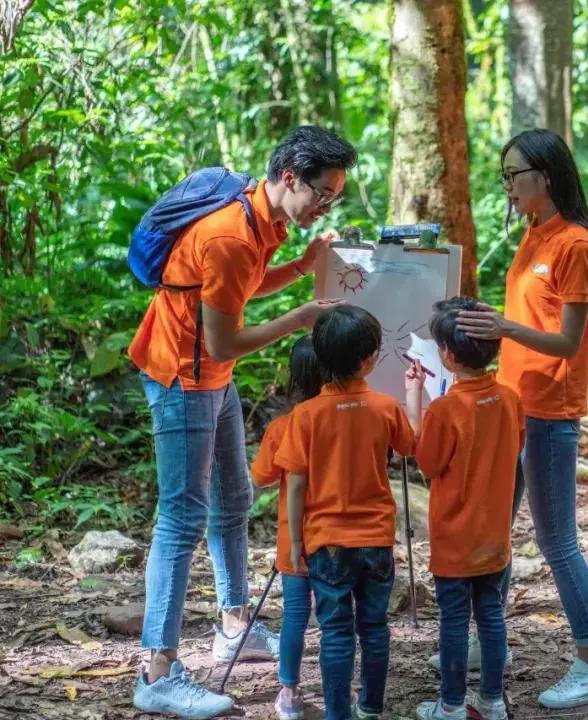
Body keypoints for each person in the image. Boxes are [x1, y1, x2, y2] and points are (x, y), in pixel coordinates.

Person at [130, 126, 355, 719]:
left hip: (213, 376)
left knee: (233, 496)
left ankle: (233, 622)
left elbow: (239, 291)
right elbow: (225, 336)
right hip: (182, 375)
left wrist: (304, 266)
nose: (326, 205)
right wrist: (297, 320)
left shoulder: (265, 221)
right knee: (181, 515)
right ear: (290, 178)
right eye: (323, 194)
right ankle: (156, 671)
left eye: (334, 197)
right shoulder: (230, 234)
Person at [455, 128, 588, 709]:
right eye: (503, 176)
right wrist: (487, 323)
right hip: (511, 403)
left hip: (550, 409)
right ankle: (490, 638)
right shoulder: (531, 233)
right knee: (495, 528)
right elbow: (527, 315)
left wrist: (503, 328)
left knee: (556, 540)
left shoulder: (575, 244)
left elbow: (568, 343)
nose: (507, 185)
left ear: (545, 177)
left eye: (514, 174)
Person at [275, 304, 416, 720]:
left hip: (326, 542)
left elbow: (296, 484)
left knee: (336, 633)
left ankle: (339, 713)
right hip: (374, 537)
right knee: (374, 628)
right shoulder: (385, 407)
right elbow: (411, 447)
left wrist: (297, 543)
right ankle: (370, 707)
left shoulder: (304, 416)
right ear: (370, 358)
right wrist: (413, 394)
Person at [408, 298, 524, 720]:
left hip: (454, 540)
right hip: (494, 536)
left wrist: (415, 399)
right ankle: (492, 701)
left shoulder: (445, 409)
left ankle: (452, 705)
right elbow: (516, 447)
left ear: (448, 356)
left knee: (454, 621)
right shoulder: (510, 399)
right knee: (491, 615)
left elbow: (427, 463)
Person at [249, 335, 323, 720]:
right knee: (335, 615)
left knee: (295, 614)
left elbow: (260, 477)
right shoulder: (340, 418)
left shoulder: (282, 427)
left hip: (292, 541)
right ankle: (340, 688)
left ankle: (289, 691)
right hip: (336, 539)